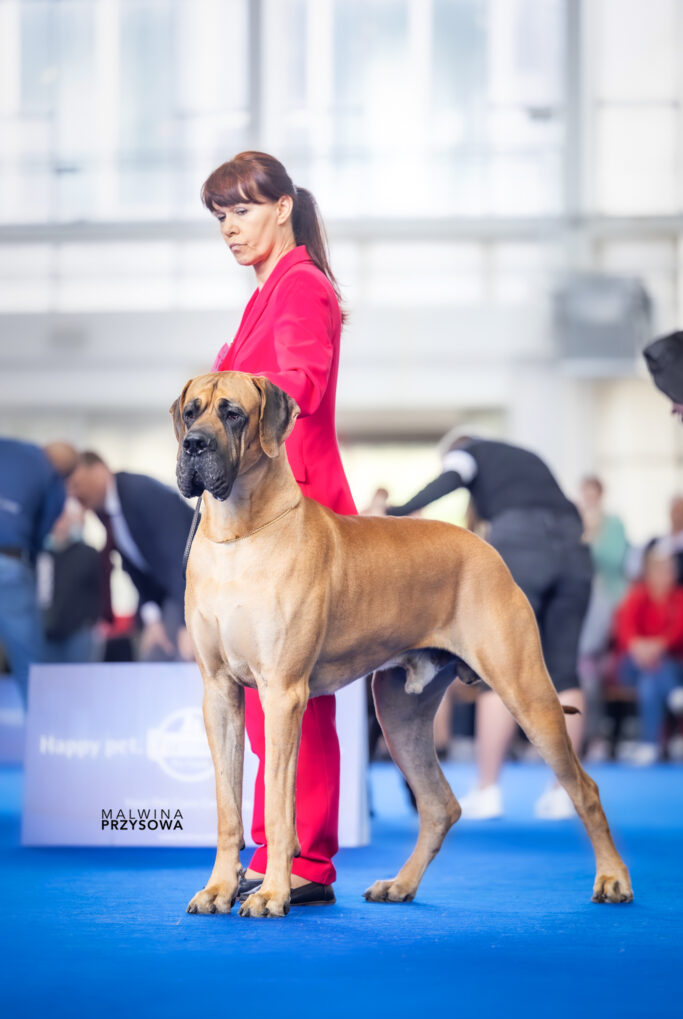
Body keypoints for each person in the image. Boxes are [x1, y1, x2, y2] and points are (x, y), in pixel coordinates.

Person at [202, 150, 356, 906]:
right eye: (220, 216)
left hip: (300, 511)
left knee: (297, 699)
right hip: (252, 518)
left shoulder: (299, 286)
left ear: (283, 207)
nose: (230, 227)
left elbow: (300, 385)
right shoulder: (265, 293)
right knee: (267, 702)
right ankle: (274, 853)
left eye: (243, 210)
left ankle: (306, 862)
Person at [383, 434, 592, 819]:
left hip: (523, 545)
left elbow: (452, 477)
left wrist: (398, 510)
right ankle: (565, 794)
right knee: (565, 670)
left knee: (499, 665)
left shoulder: (467, 451)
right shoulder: (525, 456)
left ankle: (488, 789)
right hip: (576, 552)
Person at [68, 452, 194, 661]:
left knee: (182, 656)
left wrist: (187, 623)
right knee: (152, 655)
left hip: (194, 586)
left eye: (77, 484)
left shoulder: (140, 493)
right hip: (168, 593)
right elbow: (135, 566)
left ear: (99, 471)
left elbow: (180, 555)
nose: (74, 493)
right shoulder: (106, 511)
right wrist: (153, 619)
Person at [0, 438, 76, 705]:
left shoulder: (7, 446)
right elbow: (42, 531)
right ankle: (39, 728)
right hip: (10, 564)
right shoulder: (52, 476)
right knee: (29, 668)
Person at [615, 541, 683, 765]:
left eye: (670, 569)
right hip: (633, 663)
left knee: (651, 679)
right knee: (655, 669)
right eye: (661, 568)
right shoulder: (637, 595)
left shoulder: (679, 597)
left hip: (667, 664)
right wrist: (640, 647)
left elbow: (678, 632)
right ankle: (674, 693)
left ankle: (649, 745)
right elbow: (625, 629)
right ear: (650, 571)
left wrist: (658, 646)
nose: (666, 573)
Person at [577, 475, 629, 755]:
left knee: (590, 668)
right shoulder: (574, 521)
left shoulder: (613, 524)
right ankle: (580, 736)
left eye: (592, 493)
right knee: (584, 672)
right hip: (578, 600)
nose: (588, 498)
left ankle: (595, 735)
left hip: (606, 601)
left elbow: (614, 559)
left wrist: (590, 538)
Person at [37, 497, 102, 663]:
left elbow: (100, 590)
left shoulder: (87, 554)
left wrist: (91, 620)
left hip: (78, 634)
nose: (60, 522)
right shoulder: (40, 554)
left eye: (64, 517)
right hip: (46, 634)